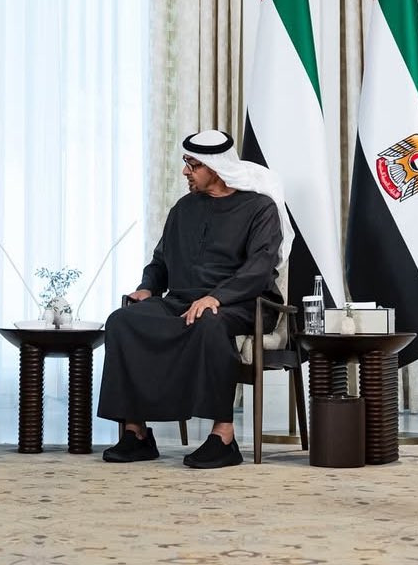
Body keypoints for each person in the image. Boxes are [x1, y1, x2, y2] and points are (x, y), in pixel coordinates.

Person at [98, 130, 292, 469]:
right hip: (182, 300)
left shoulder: (260, 208)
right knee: (122, 321)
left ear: (217, 168)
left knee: (208, 321)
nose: (185, 171)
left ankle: (224, 436)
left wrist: (216, 297)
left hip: (244, 303)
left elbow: (259, 268)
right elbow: (160, 260)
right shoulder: (183, 208)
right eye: (186, 162)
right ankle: (136, 432)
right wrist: (147, 287)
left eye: (193, 164)